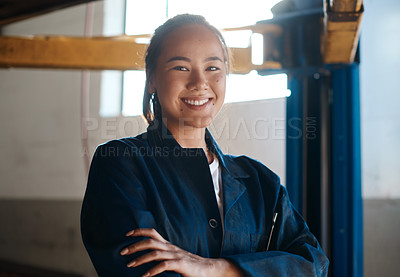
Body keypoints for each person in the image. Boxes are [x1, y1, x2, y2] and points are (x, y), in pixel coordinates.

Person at [81, 14, 329, 277]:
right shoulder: (122, 164)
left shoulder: (260, 181)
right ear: (151, 78)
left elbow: (313, 264)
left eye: (212, 68)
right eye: (181, 67)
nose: (199, 82)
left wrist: (213, 268)